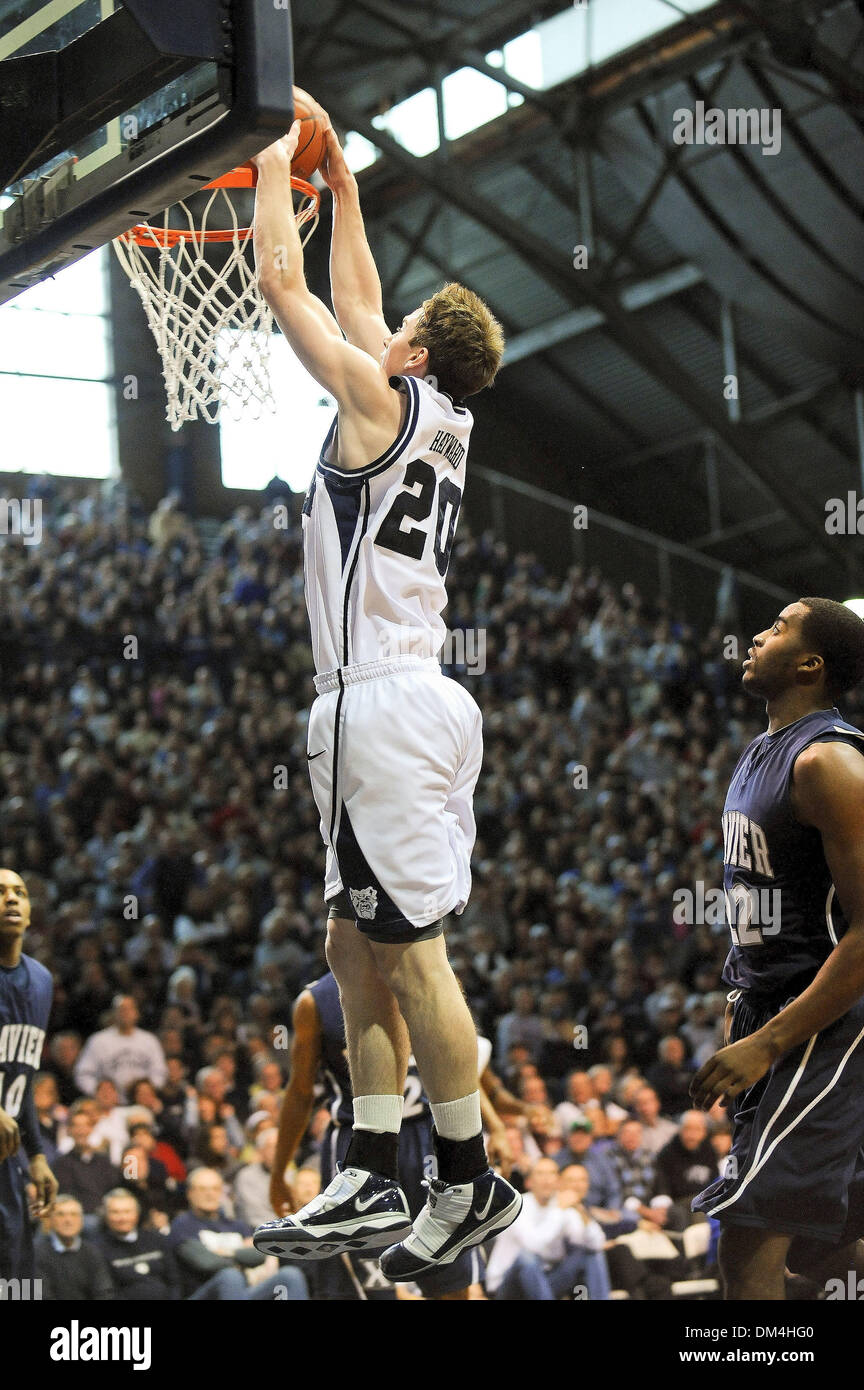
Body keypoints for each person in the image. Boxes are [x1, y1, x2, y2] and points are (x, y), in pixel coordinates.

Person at [249, 105, 518, 1280]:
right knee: (354, 941)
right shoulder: (434, 417)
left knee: (413, 954)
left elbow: (281, 284)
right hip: (406, 699)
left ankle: (466, 1178)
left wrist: (267, 160)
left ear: (413, 353)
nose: (387, 319)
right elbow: (358, 303)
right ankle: (370, 1167)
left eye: (400, 324)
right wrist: (343, 186)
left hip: (381, 700)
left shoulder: (374, 403)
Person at [691, 598, 864, 1301]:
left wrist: (768, 1043)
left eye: (780, 627)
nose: (758, 634)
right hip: (772, 1007)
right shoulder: (764, 750)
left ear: (810, 664)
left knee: (749, 1232)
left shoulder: (830, 762)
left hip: (825, 1021)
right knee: (833, 1249)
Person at [254, 973, 482, 1300]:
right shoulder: (315, 1001)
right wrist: (279, 1172)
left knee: (450, 1283)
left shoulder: (433, 972)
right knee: (369, 1289)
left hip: (428, 1135)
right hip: (357, 1141)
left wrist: (486, 1132)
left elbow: (462, 1064)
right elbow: (300, 1091)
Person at [0, 869, 58, 1282]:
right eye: (0, 892)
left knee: (16, 1281)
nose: (11, 899)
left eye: (19, 892)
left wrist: (36, 1154)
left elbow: (25, 1073)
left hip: (7, 1157)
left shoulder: (41, 981)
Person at [170, 1167, 307, 1301]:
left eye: (215, 1189)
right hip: (203, 1293)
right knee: (230, 1276)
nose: (210, 1194)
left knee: (290, 1275)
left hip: (242, 1293)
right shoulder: (183, 1225)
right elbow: (206, 1262)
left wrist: (226, 1253)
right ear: (190, 1193)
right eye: (203, 1189)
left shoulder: (236, 1225)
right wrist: (241, 1254)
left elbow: (260, 1255)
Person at [484, 1157, 610, 1301]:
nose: (547, 1179)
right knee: (527, 1259)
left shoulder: (562, 1207)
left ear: (558, 1181)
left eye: (551, 1174)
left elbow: (596, 1244)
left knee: (590, 1253)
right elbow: (534, 1246)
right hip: (507, 1286)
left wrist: (582, 1213)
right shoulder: (517, 1206)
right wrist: (559, 1210)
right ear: (529, 1182)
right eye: (540, 1174)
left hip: (545, 1282)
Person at [73, 995, 167, 1100]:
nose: (125, 1013)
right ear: (113, 1013)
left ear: (137, 1013)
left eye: (129, 1009)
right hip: (109, 1107)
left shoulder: (149, 1040)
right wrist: (100, 1093)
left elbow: (159, 1073)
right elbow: (83, 1074)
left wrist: (147, 1093)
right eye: (121, 1009)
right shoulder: (98, 1041)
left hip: (142, 1105)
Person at [94, 1189, 180, 1300]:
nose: (122, 1218)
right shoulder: (97, 1249)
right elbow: (106, 1293)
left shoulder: (157, 1239)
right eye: (115, 1212)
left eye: (127, 1211)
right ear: (105, 1216)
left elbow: (175, 1281)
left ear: (137, 1213)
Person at [34, 1194, 114, 1301]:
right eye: (60, 1215)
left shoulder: (92, 1251)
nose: (68, 1220)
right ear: (50, 1221)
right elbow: (41, 1296)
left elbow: (104, 1292)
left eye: (74, 1214)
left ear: (81, 1221)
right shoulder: (37, 1254)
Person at [52, 1102, 121, 1214]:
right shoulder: (61, 1164)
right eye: (76, 1126)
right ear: (69, 1130)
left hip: (106, 1215)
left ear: (91, 1129)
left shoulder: (104, 1161)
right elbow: (67, 1196)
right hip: (79, 1216)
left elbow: (113, 1188)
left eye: (85, 1126)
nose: (81, 1131)